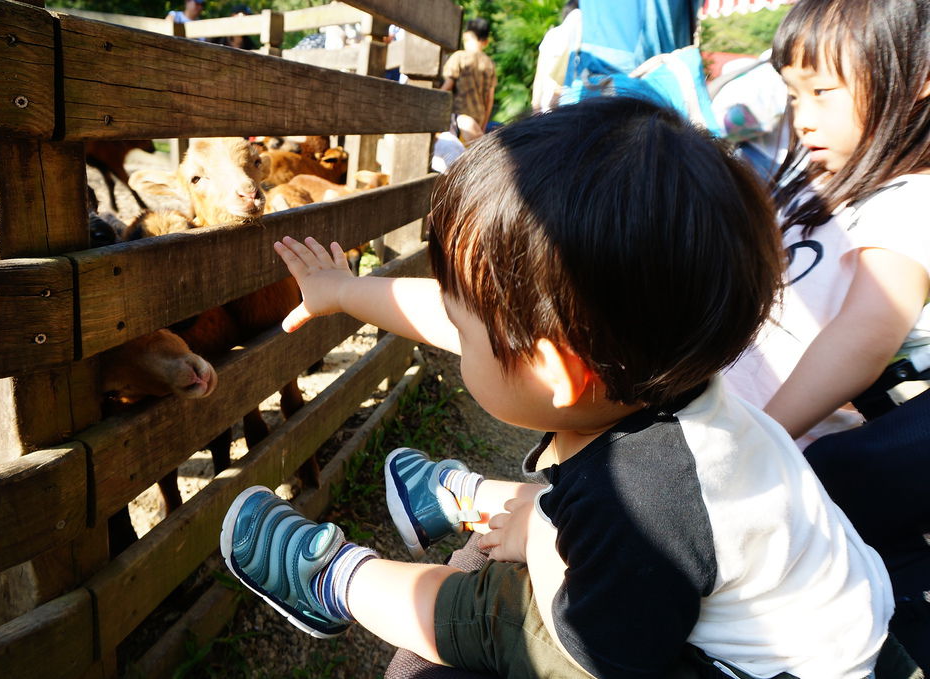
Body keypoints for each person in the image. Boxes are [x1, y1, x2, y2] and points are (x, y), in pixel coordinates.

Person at [218, 98, 918, 678]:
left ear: (555, 371)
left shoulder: (646, 499)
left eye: (465, 332)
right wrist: (343, 289)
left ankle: (334, 579)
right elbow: (462, 319)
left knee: (509, 617)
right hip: (844, 627)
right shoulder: (673, 388)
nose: (452, 331)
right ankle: (462, 505)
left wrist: (545, 552)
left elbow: (578, 651)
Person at [721, 0, 930, 666]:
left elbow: (867, 332)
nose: (801, 116)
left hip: (776, 467)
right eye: (791, 94)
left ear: (919, 74)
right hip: (719, 424)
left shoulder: (913, 201)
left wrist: (752, 440)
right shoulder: (822, 181)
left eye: (822, 92)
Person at [440, 18, 496, 145]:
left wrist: (434, 98)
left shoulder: (459, 56)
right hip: (478, 123)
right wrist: (483, 125)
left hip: (459, 118)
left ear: (466, 37)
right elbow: (489, 100)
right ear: (485, 42)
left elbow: (448, 84)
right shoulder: (490, 64)